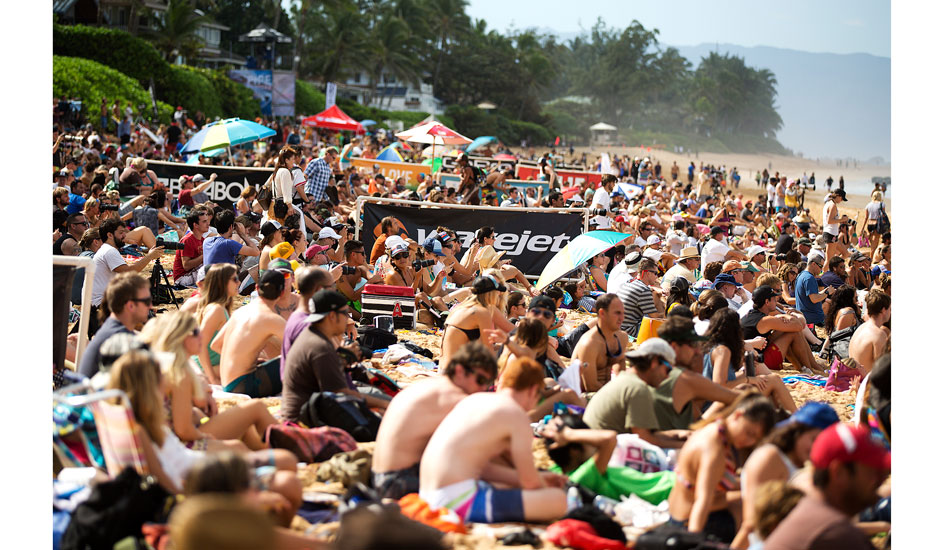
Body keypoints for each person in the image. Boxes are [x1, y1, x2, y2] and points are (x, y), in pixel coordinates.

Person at [105, 351, 299, 498]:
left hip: (203, 469)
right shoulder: (141, 431)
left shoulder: (145, 420)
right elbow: (169, 486)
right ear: (147, 387)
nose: (164, 386)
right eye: (159, 381)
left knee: (280, 459)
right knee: (286, 472)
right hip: (203, 481)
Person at [418, 357, 568, 524]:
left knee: (507, 486)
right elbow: (531, 483)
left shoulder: (474, 400)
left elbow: (484, 470)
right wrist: (542, 482)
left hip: (428, 495)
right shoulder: (516, 415)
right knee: (558, 499)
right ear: (533, 390)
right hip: (457, 503)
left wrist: (541, 478)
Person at [372, 342, 499, 500]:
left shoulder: (430, 385)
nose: (482, 389)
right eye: (480, 381)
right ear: (459, 371)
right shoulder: (454, 398)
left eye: (487, 384)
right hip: (399, 483)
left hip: (380, 477)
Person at [142, 311, 281, 453]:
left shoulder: (171, 367)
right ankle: (288, 447)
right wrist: (207, 437)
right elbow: (183, 430)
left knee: (246, 427)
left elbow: (177, 414)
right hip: (181, 444)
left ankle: (273, 450)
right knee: (255, 409)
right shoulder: (179, 374)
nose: (201, 335)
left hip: (173, 440)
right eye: (195, 332)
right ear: (180, 338)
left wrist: (199, 412)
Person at [667, 392, 777, 542]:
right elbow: (702, 501)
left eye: (755, 439)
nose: (749, 441)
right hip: (687, 523)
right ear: (738, 415)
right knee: (758, 508)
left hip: (678, 514)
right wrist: (692, 541)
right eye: (749, 433)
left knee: (753, 496)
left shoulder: (715, 429)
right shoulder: (713, 449)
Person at [763, 423, 890, 550]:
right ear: (838, 471)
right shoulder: (835, 534)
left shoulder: (810, 512)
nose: (880, 479)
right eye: (872, 472)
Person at [733, 402, 839, 548]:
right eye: (814, 440)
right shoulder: (770, 458)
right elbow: (752, 523)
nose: (817, 449)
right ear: (797, 431)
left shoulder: (796, 461)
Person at [281, 290, 390, 421]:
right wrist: (388, 404)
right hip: (306, 419)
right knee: (391, 415)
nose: (349, 320)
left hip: (307, 411)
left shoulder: (312, 335)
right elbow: (341, 393)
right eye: (345, 313)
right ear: (332, 316)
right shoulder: (320, 346)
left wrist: (344, 359)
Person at [542, 413, 675, 504]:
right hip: (669, 490)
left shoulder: (560, 472)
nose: (594, 444)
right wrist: (568, 434)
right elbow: (609, 438)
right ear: (574, 451)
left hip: (670, 482)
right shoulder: (583, 477)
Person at [583, 338, 690, 448]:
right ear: (654, 363)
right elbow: (644, 440)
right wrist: (689, 445)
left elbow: (643, 434)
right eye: (668, 370)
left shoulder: (627, 379)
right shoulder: (638, 388)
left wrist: (676, 435)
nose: (668, 377)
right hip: (601, 454)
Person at [703, 309, 797, 413]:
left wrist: (744, 375)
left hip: (709, 402)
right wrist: (747, 379)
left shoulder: (709, 346)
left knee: (761, 379)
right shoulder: (723, 351)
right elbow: (720, 386)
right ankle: (797, 420)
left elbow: (720, 379)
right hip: (716, 406)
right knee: (773, 380)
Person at [653, 317, 739, 429]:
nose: (698, 351)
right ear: (674, 347)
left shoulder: (658, 368)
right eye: (692, 344)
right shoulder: (684, 377)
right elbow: (734, 397)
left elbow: (696, 412)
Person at [212, 270, 287, 397]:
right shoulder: (270, 318)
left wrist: (248, 360)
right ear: (283, 292)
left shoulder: (240, 312)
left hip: (227, 383)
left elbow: (216, 345)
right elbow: (300, 346)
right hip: (244, 386)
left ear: (257, 288)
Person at [83, 218, 163, 327]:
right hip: (99, 305)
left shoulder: (107, 250)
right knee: (146, 321)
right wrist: (149, 256)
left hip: (98, 302)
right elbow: (129, 272)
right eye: (121, 233)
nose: (124, 236)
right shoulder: (109, 251)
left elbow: (124, 278)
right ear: (110, 235)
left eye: (124, 232)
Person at [77, 272, 151, 378]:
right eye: (147, 301)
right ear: (130, 305)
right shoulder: (122, 341)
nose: (151, 306)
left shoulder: (110, 329)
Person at [743, 286, 826, 373]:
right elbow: (799, 325)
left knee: (786, 331)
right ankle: (811, 367)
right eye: (774, 299)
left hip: (750, 359)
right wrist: (785, 314)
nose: (776, 301)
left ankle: (805, 367)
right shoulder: (765, 320)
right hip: (759, 363)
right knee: (794, 333)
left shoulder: (750, 314)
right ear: (767, 302)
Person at [438, 276, 506, 370]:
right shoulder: (482, 312)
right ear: (490, 294)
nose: (499, 295)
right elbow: (488, 351)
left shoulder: (460, 308)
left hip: (443, 368)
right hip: (457, 374)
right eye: (497, 293)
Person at [280, 266, 337, 378]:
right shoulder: (309, 325)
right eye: (332, 286)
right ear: (320, 290)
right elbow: (326, 373)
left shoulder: (298, 316)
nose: (334, 291)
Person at [194, 264, 240, 385]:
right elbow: (200, 345)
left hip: (214, 366)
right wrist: (212, 379)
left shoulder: (220, 307)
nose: (239, 283)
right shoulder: (216, 310)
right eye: (234, 279)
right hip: (208, 368)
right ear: (222, 283)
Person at [572, 294, 627, 394]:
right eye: (617, 313)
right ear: (602, 313)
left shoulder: (622, 338)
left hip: (606, 389)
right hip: (585, 394)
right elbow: (590, 386)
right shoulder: (589, 343)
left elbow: (621, 373)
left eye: (623, 313)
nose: (622, 318)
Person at [617, 257, 665, 336]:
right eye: (656, 273)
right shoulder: (643, 290)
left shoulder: (629, 283)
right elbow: (656, 318)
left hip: (618, 326)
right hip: (629, 331)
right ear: (648, 273)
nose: (657, 277)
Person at [848, 289, 890, 375]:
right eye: (890, 309)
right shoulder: (878, 334)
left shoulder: (861, 328)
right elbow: (882, 370)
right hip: (867, 384)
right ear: (883, 310)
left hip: (856, 379)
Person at [173, 207, 212, 287]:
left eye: (207, 221)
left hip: (191, 274)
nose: (208, 224)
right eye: (204, 221)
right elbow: (186, 266)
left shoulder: (202, 239)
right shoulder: (187, 240)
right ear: (195, 225)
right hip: (182, 279)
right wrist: (205, 255)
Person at [795, 250, 831, 326]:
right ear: (814, 264)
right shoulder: (809, 278)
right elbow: (814, 299)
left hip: (806, 318)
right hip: (814, 320)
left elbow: (810, 296)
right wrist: (827, 293)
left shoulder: (801, 275)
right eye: (820, 266)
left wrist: (825, 291)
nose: (821, 270)